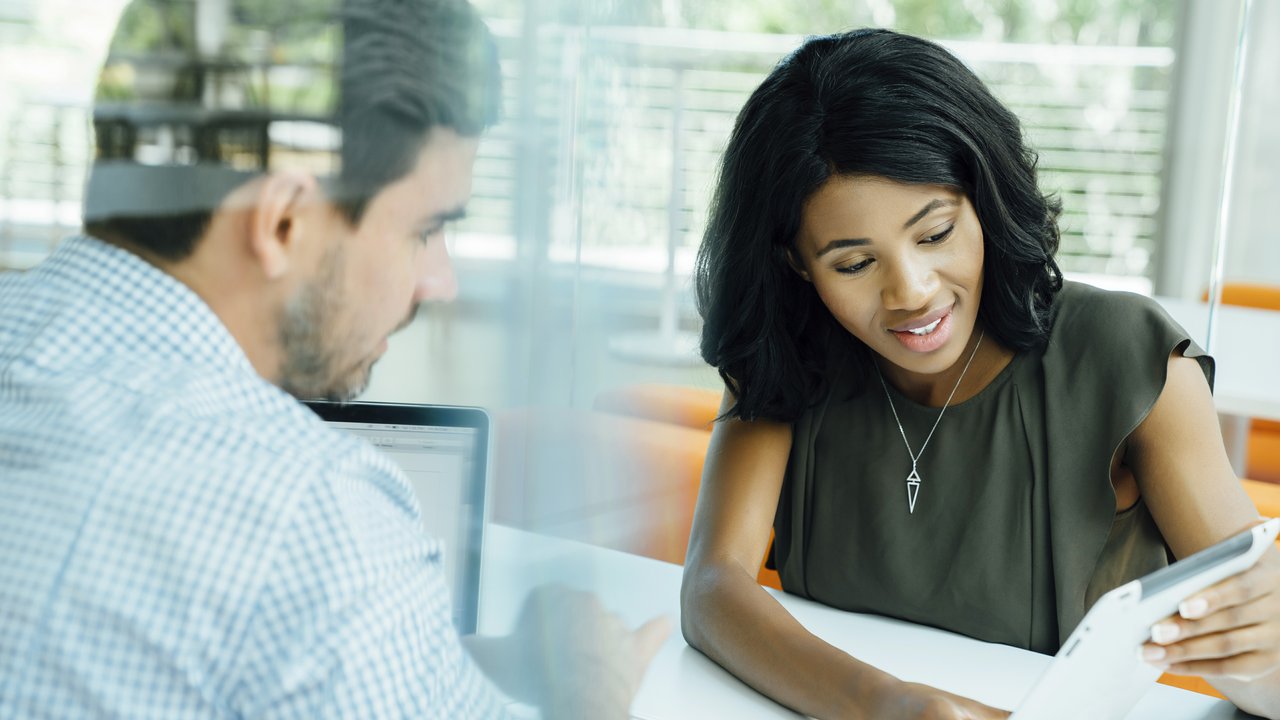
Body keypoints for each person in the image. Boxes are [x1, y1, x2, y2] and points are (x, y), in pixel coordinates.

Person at [0, 0, 666, 717]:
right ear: (283, 220)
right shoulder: (314, 520)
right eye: (425, 230)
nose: (440, 282)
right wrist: (592, 689)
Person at [681, 28, 1280, 720]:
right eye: (853, 263)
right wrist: (892, 706)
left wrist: (1266, 647)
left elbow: (1256, 652)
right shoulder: (788, 354)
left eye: (935, 234)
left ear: (985, 199)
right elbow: (713, 587)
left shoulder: (1127, 358)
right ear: (796, 264)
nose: (910, 291)